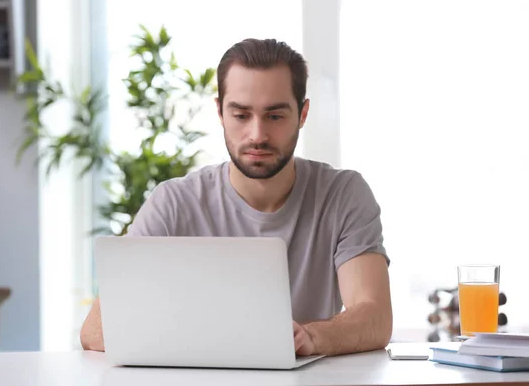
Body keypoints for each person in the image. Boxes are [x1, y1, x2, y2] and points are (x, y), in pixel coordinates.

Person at [81, 38, 392, 357]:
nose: (257, 134)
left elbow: (375, 316)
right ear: (220, 112)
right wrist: (213, 346)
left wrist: (309, 337)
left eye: (275, 116)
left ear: (303, 113)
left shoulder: (343, 195)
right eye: (241, 115)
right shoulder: (173, 203)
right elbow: (94, 329)